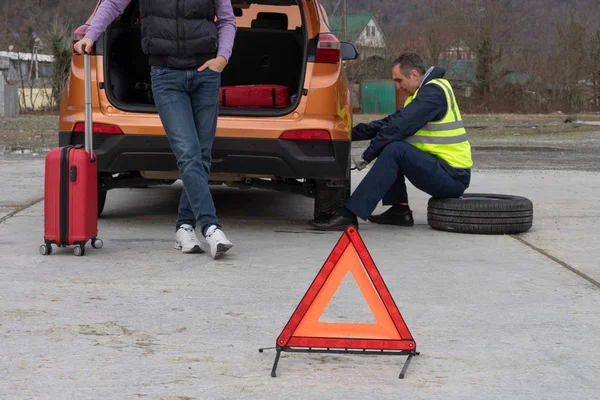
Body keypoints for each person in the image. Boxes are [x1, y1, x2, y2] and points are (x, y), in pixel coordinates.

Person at [74, 0, 237, 259]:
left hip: (206, 72)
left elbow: (227, 20)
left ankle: (184, 227)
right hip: (166, 75)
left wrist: (222, 58)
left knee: (202, 154)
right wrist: (92, 34)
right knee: (188, 152)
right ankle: (211, 227)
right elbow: (113, 4)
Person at [309, 52, 473, 231]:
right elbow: (389, 124)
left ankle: (349, 215)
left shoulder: (434, 93)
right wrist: (346, 134)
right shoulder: (421, 96)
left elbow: (397, 128)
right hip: (441, 170)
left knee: (394, 149)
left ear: (414, 75)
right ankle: (399, 211)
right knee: (392, 145)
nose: (397, 86)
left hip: (452, 177)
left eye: (399, 80)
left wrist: (368, 154)